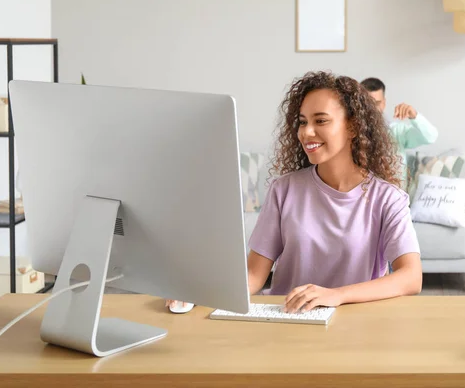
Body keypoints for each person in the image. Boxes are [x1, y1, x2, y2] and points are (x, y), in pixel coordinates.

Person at [167, 71, 422, 314]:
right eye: (302, 122)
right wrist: (201, 293)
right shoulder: (284, 190)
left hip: (355, 326)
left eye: (320, 120)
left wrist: (337, 295)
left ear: (353, 127)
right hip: (285, 319)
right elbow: (254, 275)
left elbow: (411, 277)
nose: (306, 132)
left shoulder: (388, 199)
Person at [360, 77, 438, 189]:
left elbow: (431, 137)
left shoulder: (397, 132)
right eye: (368, 103)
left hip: (395, 200)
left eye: (377, 103)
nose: (372, 108)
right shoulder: (352, 134)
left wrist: (414, 115)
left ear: (384, 103)